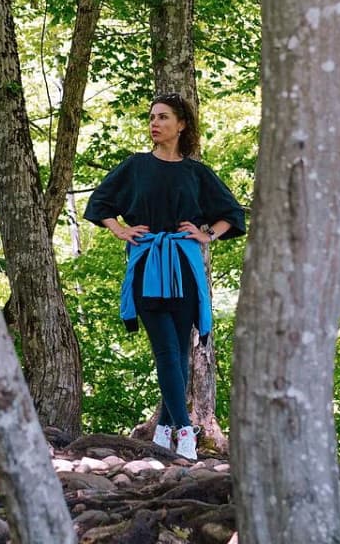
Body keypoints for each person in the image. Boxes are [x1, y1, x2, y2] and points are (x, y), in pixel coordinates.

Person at [84, 93, 245, 460]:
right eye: (152, 117)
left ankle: (162, 433)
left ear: (182, 124)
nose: (155, 123)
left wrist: (208, 234)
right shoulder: (136, 166)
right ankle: (185, 432)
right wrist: (119, 230)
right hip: (148, 267)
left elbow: (232, 215)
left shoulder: (196, 172)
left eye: (163, 117)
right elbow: (100, 204)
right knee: (166, 351)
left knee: (182, 353)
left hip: (185, 269)